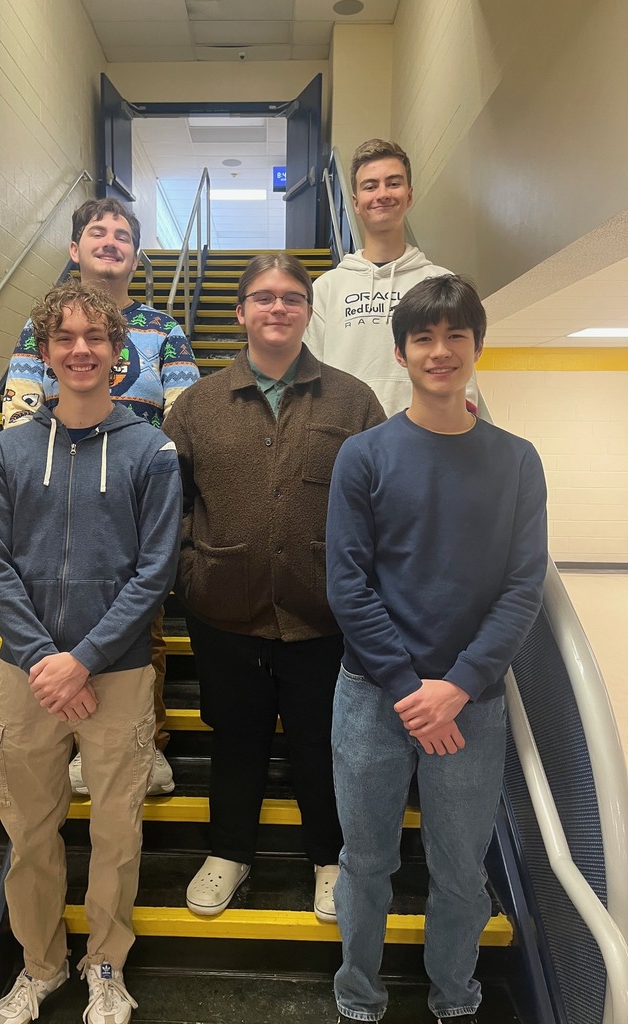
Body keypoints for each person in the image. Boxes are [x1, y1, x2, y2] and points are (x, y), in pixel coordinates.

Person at [326, 275, 548, 1023]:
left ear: (477, 346)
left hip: (470, 708)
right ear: (401, 351)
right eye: (424, 337)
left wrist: (455, 688)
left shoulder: (518, 461)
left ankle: (456, 997)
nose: (441, 350)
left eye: (456, 335)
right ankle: (359, 995)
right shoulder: (364, 455)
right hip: (372, 698)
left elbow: (523, 589)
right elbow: (348, 587)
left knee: (460, 871)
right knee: (365, 864)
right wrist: (409, 690)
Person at [0, 282, 182, 1024]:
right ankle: (40, 967)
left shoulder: (151, 450)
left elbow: (156, 570)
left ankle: (105, 966)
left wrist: (84, 658)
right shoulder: (7, 451)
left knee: (116, 832)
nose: (81, 350)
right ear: (44, 351)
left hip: (117, 673)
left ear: (118, 349)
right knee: (30, 836)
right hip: (27, 674)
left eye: (95, 336)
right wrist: (43, 659)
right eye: (63, 338)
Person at [163, 254, 386, 922]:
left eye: (292, 297)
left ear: (308, 312)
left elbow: (383, 505)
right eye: (263, 297)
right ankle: (228, 854)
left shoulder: (353, 401)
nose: (278, 308)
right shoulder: (198, 405)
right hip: (224, 611)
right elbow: (165, 506)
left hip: (324, 613)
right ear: (240, 312)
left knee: (324, 742)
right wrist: (189, 571)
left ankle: (329, 860)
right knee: (236, 736)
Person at [2, 196, 199, 797]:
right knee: (48, 622)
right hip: (50, 501)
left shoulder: (162, 329)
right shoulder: (41, 331)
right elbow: (17, 418)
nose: (110, 241)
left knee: (146, 627)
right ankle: (65, 741)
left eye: (122, 235)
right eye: (97, 232)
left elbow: (185, 418)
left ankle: (148, 743)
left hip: (132, 503)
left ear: (136, 254)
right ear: (74, 249)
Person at [303, 138, 477, 415]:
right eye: (371, 186)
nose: (382, 194)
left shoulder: (440, 282)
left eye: (393, 183)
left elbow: (462, 373)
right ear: (357, 204)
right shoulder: (327, 288)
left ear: (408, 196)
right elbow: (311, 375)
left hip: (425, 436)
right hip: (346, 439)